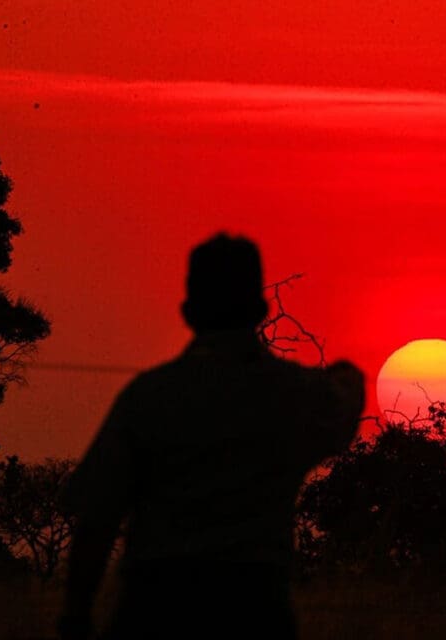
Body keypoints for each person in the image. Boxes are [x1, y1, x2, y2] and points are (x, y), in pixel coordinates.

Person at [57, 233, 364, 640]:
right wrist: (347, 375)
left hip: (153, 609)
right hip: (255, 610)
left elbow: (97, 516)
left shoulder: (148, 396)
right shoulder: (297, 395)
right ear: (259, 309)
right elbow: (344, 405)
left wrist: (77, 614)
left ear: (189, 311)